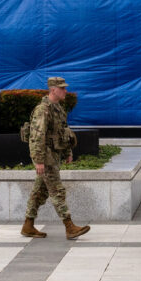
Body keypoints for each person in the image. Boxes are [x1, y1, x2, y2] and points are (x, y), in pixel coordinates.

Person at [21, 77, 91, 240]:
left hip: (54, 154)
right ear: (53, 90)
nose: (65, 91)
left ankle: (28, 225)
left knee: (40, 190)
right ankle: (69, 227)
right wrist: (38, 160)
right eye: (62, 88)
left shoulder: (58, 108)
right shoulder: (43, 109)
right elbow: (37, 136)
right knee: (56, 190)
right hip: (45, 156)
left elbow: (63, 132)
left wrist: (68, 152)